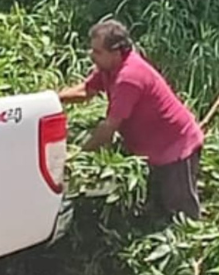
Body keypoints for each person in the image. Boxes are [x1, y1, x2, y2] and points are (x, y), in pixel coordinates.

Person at [58, 19, 204, 221]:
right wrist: (53, 99)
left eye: (97, 52)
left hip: (175, 148)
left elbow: (108, 128)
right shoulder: (109, 68)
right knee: (157, 207)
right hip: (153, 149)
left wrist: (77, 156)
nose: (92, 56)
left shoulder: (129, 77)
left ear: (116, 52)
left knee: (181, 214)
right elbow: (85, 90)